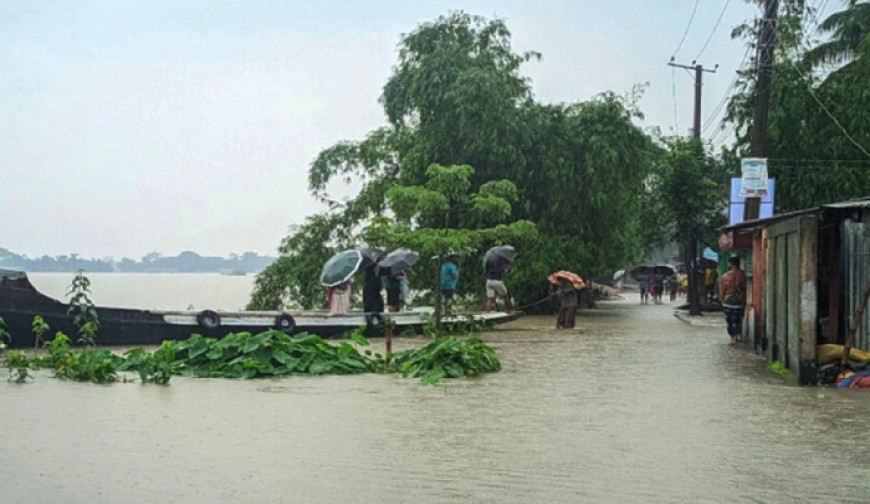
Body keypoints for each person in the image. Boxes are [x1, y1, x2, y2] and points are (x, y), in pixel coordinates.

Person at [719, 256, 747, 344]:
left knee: (730, 320)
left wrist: (721, 299)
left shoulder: (725, 276)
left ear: (731, 264)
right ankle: (736, 337)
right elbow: (744, 288)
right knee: (738, 319)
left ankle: (733, 338)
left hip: (728, 300)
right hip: (739, 300)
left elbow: (723, 289)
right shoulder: (743, 275)